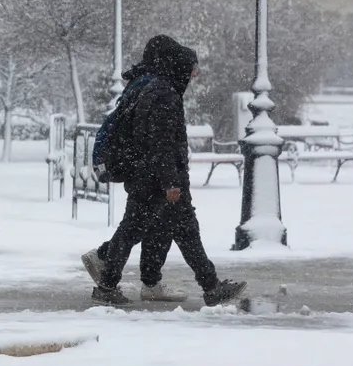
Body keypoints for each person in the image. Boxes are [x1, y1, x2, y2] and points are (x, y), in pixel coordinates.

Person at [81, 35, 246, 307]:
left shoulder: (158, 90)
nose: (193, 75)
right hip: (156, 180)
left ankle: (210, 286)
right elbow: (160, 143)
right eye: (191, 69)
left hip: (151, 176)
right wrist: (170, 181)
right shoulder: (164, 95)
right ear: (178, 67)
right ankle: (107, 285)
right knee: (133, 231)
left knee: (181, 231)